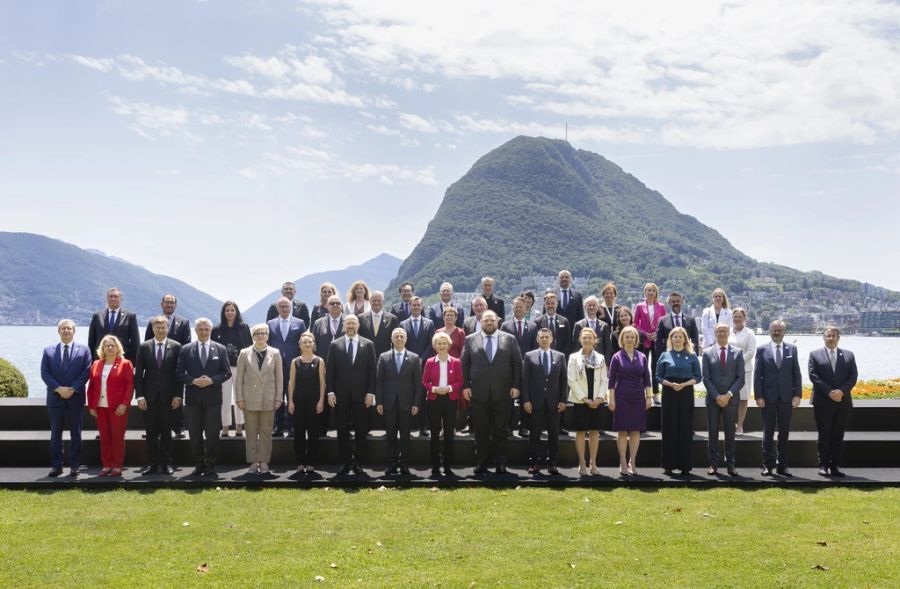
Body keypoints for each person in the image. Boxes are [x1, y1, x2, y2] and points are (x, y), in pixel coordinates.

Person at [461, 310, 523, 475]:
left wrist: (516, 386)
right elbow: (464, 364)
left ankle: (501, 464)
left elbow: (517, 363)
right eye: (486, 320)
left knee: (500, 431)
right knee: (480, 431)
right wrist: (465, 386)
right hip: (478, 393)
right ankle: (481, 463)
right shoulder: (470, 339)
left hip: (502, 393)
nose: (489, 323)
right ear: (480, 321)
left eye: (492, 320)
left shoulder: (509, 339)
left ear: (498, 322)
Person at [177, 318, 232, 477]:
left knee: (213, 435)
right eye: (200, 329)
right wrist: (192, 381)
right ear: (195, 331)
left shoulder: (220, 349)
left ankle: (210, 465)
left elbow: (227, 372)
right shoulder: (186, 349)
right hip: (193, 399)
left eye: (206, 329)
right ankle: (199, 464)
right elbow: (179, 373)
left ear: (210, 330)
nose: (203, 332)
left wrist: (212, 380)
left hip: (213, 399)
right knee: (194, 435)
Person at [326, 315, 377, 476]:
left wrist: (370, 393)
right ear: (343, 325)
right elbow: (331, 371)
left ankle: (359, 461)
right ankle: (345, 461)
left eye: (353, 323)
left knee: (361, 429)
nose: (350, 326)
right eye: (347, 323)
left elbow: (372, 372)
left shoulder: (368, 345)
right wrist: (331, 392)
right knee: (342, 429)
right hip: (340, 395)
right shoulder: (335, 344)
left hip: (362, 395)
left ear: (358, 325)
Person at [40, 319, 92, 477]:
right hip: (55, 398)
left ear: (74, 331)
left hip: (76, 398)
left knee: (76, 433)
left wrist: (73, 389)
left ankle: (75, 465)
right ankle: (57, 466)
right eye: (63, 328)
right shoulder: (48, 351)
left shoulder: (84, 350)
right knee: (55, 434)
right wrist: (58, 389)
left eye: (69, 328)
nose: (66, 331)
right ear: (59, 331)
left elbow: (86, 372)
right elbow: (44, 373)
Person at [134, 316, 184, 476]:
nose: (161, 330)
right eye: (157, 327)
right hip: (148, 398)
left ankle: (167, 464)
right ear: (153, 329)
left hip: (169, 397)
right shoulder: (144, 347)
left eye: (163, 327)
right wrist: (139, 396)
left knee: (166, 432)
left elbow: (179, 374)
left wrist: (178, 395)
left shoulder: (176, 347)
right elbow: (138, 374)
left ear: (167, 328)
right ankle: (152, 464)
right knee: (151, 432)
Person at [754, 320, 802, 477]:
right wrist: (758, 396)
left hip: (787, 398)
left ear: (784, 332)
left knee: (784, 433)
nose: (776, 332)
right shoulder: (761, 349)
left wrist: (798, 395)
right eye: (774, 330)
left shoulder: (792, 349)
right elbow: (757, 375)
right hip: (768, 399)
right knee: (768, 433)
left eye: (779, 330)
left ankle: (782, 466)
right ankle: (767, 466)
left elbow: (797, 374)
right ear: (769, 331)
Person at [808, 326, 858, 477]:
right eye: (828, 335)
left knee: (838, 435)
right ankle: (823, 465)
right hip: (822, 401)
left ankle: (834, 466)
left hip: (842, 402)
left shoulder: (849, 355)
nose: (831, 338)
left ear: (838, 337)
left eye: (833, 335)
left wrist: (842, 391)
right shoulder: (814, 355)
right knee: (824, 435)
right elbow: (813, 376)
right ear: (824, 338)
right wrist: (829, 392)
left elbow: (853, 376)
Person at [234, 323, 283, 476]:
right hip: (249, 398)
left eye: (263, 333)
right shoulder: (244, 353)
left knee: (266, 432)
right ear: (253, 336)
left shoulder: (275, 353)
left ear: (267, 336)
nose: (260, 336)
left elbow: (279, 378)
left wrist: (278, 397)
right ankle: (253, 462)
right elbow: (239, 378)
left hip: (269, 397)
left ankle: (264, 461)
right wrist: (239, 398)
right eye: (257, 334)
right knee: (251, 432)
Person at [376, 328, 423, 476]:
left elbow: (418, 383)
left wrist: (416, 403)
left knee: (405, 435)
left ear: (406, 339)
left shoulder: (415, 358)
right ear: (391, 339)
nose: (399, 338)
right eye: (396, 336)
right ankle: (391, 463)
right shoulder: (383, 357)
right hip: (388, 403)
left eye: (401, 336)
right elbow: (379, 382)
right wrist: (379, 402)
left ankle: (404, 464)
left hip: (407, 403)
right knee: (390, 435)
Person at [144, 293, 191, 440]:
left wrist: (182, 365)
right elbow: (147, 343)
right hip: (156, 367)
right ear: (161, 304)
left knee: (176, 397)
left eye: (172, 303)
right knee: (155, 400)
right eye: (167, 302)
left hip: (176, 367)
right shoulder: (153, 321)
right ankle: (153, 429)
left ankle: (178, 428)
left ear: (176, 305)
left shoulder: (183, 322)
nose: (169, 305)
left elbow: (186, 345)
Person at [656, 326, 703, 476]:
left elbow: (698, 377)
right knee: (669, 427)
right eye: (674, 336)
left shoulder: (692, 355)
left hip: (686, 392)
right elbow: (658, 376)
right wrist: (670, 384)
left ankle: (685, 465)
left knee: (685, 427)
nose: (677, 339)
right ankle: (668, 465)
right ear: (671, 339)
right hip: (669, 392)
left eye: (680, 336)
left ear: (685, 339)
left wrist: (684, 384)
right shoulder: (664, 355)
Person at [521, 328, 568, 475]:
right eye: (542, 337)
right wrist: (526, 400)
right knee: (534, 433)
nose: (544, 339)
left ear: (552, 339)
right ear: (537, 339)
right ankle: (534, 463)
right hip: (535, 402)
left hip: (554, 402)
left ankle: (552, 463)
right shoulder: (529, 356)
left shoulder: (560, 357)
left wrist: (563, 400)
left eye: (547, 337)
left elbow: (563, 380)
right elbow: (525, 380)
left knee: (554, 434)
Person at [86, 335, 134, 477]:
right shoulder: (96, 364)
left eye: (112, 345)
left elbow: (130, 385)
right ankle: (107, 465)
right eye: (107, 345)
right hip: (100, 407)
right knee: (104, 437)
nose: (110, 347)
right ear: (102, 349)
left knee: (117, 437)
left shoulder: (125, 364)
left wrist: (124, 404)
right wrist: (91, 406)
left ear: (118, 347)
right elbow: (91, 386)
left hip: (117, 407)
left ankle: (117, 465)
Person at [701, 324, 745, 477]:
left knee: (730, 433)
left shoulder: (738, 353)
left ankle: (730, 464)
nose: (721, 333)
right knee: (712, 433)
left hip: (731, 401)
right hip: (713, 401)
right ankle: (713, 463)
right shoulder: (707, 353)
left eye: (724, 331)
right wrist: (717, 396)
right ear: (715, 333)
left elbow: (741, 379)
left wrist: (728, 395)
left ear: (729, 333)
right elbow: (705, 379)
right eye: (719, 331)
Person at [607, 326, 652, 476]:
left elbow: (647, 378)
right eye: (627, 337)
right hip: (621, 396)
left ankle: (633, 461)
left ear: (636, 339)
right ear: (622, 339)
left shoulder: (642, 357)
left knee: (635, 431)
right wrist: (611, 399)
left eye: (632, 337)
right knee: (622, 431)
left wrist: (649, 397)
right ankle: (623, 461)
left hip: (638, 397)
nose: (630, 339)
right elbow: (611, 380)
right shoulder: (617, 357)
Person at [567, 328, 608, 476]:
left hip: (597, 401)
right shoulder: (573, 357)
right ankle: (582, 462)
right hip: (580, 400)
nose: (587, 340)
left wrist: (599, 398)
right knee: (581, 431)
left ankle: (593, 462)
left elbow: (604, 380)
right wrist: (585, 399)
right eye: (584, 338)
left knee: (595, 432)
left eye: (590, 338)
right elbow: (571, 379)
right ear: (580, 339)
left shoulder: (601, 358)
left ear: (594, 340)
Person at [422, 332, 463, 477]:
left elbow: (459, 381)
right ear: (435, 346)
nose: (442, 346)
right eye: (439, 343)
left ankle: (447, 465)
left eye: (444, 343)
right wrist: (434, 389)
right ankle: (435, 465)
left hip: (450, 399)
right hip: (434, 399)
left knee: (449, 433)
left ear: (449, 345)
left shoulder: (456, 362)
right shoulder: (430, 362)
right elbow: (424, 381)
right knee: (434, 433)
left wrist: (449, 388)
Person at [268, 297, 307, 438]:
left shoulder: (300, 323)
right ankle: (278, 426)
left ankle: (291, 426)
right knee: (277, 396)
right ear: (277, 308)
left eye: (287, 306)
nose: (284, 309)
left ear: (291, 308)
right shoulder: (270, 324)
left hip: (293, 366)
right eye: (282, 306)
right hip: (275, 366)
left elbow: (303, 344)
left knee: (293, 397)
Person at [211, 301, 251, 439]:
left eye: (232, 310)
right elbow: (213, 349)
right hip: (223, 370)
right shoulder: (217, 330)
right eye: (227, 310)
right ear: (223, 312)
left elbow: (249, 348)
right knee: (225, 399)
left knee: (240, 398)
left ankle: (239, 427)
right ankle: (225, 427)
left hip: (240, 368)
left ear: (236, 312)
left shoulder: (244, 328)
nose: (230, 313)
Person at [288, 332, 326, 475]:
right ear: (300, 345)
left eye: (309, 342)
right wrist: (290, 401)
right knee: (298, 433)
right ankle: (300, 462)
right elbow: (291, 382)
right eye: (304, 342)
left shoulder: (319, 361)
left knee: (313, 433)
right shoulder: (295, 362)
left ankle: (311, 462)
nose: (307, 344)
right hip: (298, 401)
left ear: (313, 344)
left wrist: (321, 400)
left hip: (314, 401)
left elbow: (323, 382)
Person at [501, 296, 538, 438]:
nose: (518, 308)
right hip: (510, 368)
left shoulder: (533, 326)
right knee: (509, 400)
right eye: (516, 306)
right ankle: (509, 426)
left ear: (526, 308)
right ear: (513, 307)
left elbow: (535, 348)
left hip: (528, 369)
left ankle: (524, 427)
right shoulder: (505, 326)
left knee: (525, 398)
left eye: (521, 306)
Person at [401, 296, 435, 437]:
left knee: (422, 397)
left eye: (418, 305)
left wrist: (421, 358)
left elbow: (431, 343)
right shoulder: (402, 324)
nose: (415, 307)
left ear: (422, 307)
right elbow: (402, 343)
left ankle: (422, 427)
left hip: (424, 364)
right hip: (408, 365)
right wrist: (412, 359)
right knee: (407, 396)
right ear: (409, 306)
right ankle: (407, 428)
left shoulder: (429, 323)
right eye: (413, 305)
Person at [310, 294, 344, 438]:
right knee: (322, 396)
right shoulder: (318, 323)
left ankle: (343, 430)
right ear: (326, 306)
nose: (335, 306)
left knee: (342, 398)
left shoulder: (349, 321)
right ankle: (321, 431)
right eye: (332, 303)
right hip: (323, 366)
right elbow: (313, 345)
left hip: (344, 367)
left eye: (337, 303)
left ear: (342, 306)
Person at [633, 283, 666, 404]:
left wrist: (657, 334)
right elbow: (635, 323)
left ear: (656, 293)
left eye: (653, 290)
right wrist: (645, 333)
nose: (651, 292)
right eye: (648, 290)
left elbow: (664, 323)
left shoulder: (661, 306)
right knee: (643, 367)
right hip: (644, 340)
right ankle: (644, 392)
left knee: (656, 367)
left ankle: (656, 393)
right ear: (645, 293)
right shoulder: (639, 306)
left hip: (657, 341)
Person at [87, 287, 141, 362]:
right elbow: (91, 341)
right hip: (100, 359)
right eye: (110, 296)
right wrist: (91, 361)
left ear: (121, 299)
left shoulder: (130, 316)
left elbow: (135, 342)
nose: (113, 299)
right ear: (107, 298)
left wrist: (134, 363)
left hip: (122, 359)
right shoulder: (97, 316)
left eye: (116, 296)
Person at [729, 308, 756, 435]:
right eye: (735, 317)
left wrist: (737, 363)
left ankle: (740, 425)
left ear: (745, 319)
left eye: (740, 317)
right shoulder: (729, 332)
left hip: (744, 370)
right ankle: (730, 423)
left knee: (743, 398)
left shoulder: (749, 333)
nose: (737, 319)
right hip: (729, 371)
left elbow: (751, 352)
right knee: (729, 396)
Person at [655, 291, 700, 358]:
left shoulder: (690, 320)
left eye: (678, 301)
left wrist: (694, 355)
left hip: (687, 355)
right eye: (673, 301)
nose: (676, 303)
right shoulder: (663, 321)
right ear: (669, 303)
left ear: (682, 302)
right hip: (669, 356)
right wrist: (661, 357)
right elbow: (658, 341)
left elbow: (695, 339)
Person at [572, 295, 613, 366]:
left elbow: (607, 347)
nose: (592, 307)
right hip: (583, 363)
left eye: (594, 305)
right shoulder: (578, 325)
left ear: (597, 307)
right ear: (585, 307)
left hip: (600, 363)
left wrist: (606, 364)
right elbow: (576, 346)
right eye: (589, 305)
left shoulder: (604, 326)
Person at [358, 290, 399, 357]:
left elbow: (395, 340)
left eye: (379, 300)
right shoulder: (361, 318)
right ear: (370, 302)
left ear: (383, 302)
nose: (376, 303)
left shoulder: (392, 319)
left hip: (386, 358)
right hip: (365, 356)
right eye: (374, 300)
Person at [535, 291, 571, 357]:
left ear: (557, 304)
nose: (550, 306)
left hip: (560, 357)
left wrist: (563, 357)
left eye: (552, 303)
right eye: (548, 304)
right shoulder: (538, 322)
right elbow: (536, 342)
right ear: (544, 305)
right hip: (543, 356)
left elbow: (568, 342)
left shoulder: (564, 321)